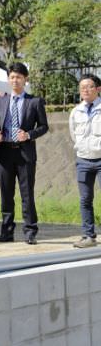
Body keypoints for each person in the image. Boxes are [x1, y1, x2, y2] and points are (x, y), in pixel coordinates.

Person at [0, 62, 48, 245]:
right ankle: (6, 231)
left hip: (25, 153)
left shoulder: (34, 102)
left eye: (19, 77)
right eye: (12, 77)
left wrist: (29, 134)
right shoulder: (0, 101)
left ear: (25, 79)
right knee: (6, 193)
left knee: (26, 194)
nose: (15, 80)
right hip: (5, 152)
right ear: (8, 79)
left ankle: (30, 231)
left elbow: (44, 126)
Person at [70, 75, 101, 248]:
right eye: (82, 87)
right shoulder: (76, 111)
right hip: (83, 159)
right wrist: (83, 148)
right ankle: (88, 236)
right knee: (85, 199)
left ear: (98, 89)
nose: (85, 90)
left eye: (89, 87)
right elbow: (73, 134)